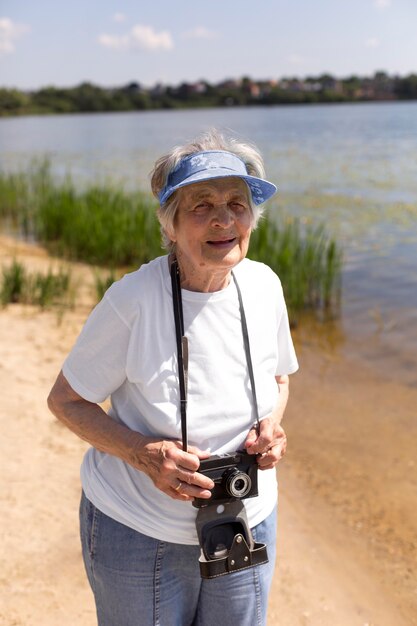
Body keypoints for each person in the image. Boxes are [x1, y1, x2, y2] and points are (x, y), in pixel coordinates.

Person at [47, 129, 299, 626]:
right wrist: (142, 454)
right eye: (201, 205)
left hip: (246, 521)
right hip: (140, 532)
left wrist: (270, 427)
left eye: (237, 203)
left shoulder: (265, 284)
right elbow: (66, 401)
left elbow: (279, 379)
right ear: (171, 224)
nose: (224, 219)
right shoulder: (131, 301)